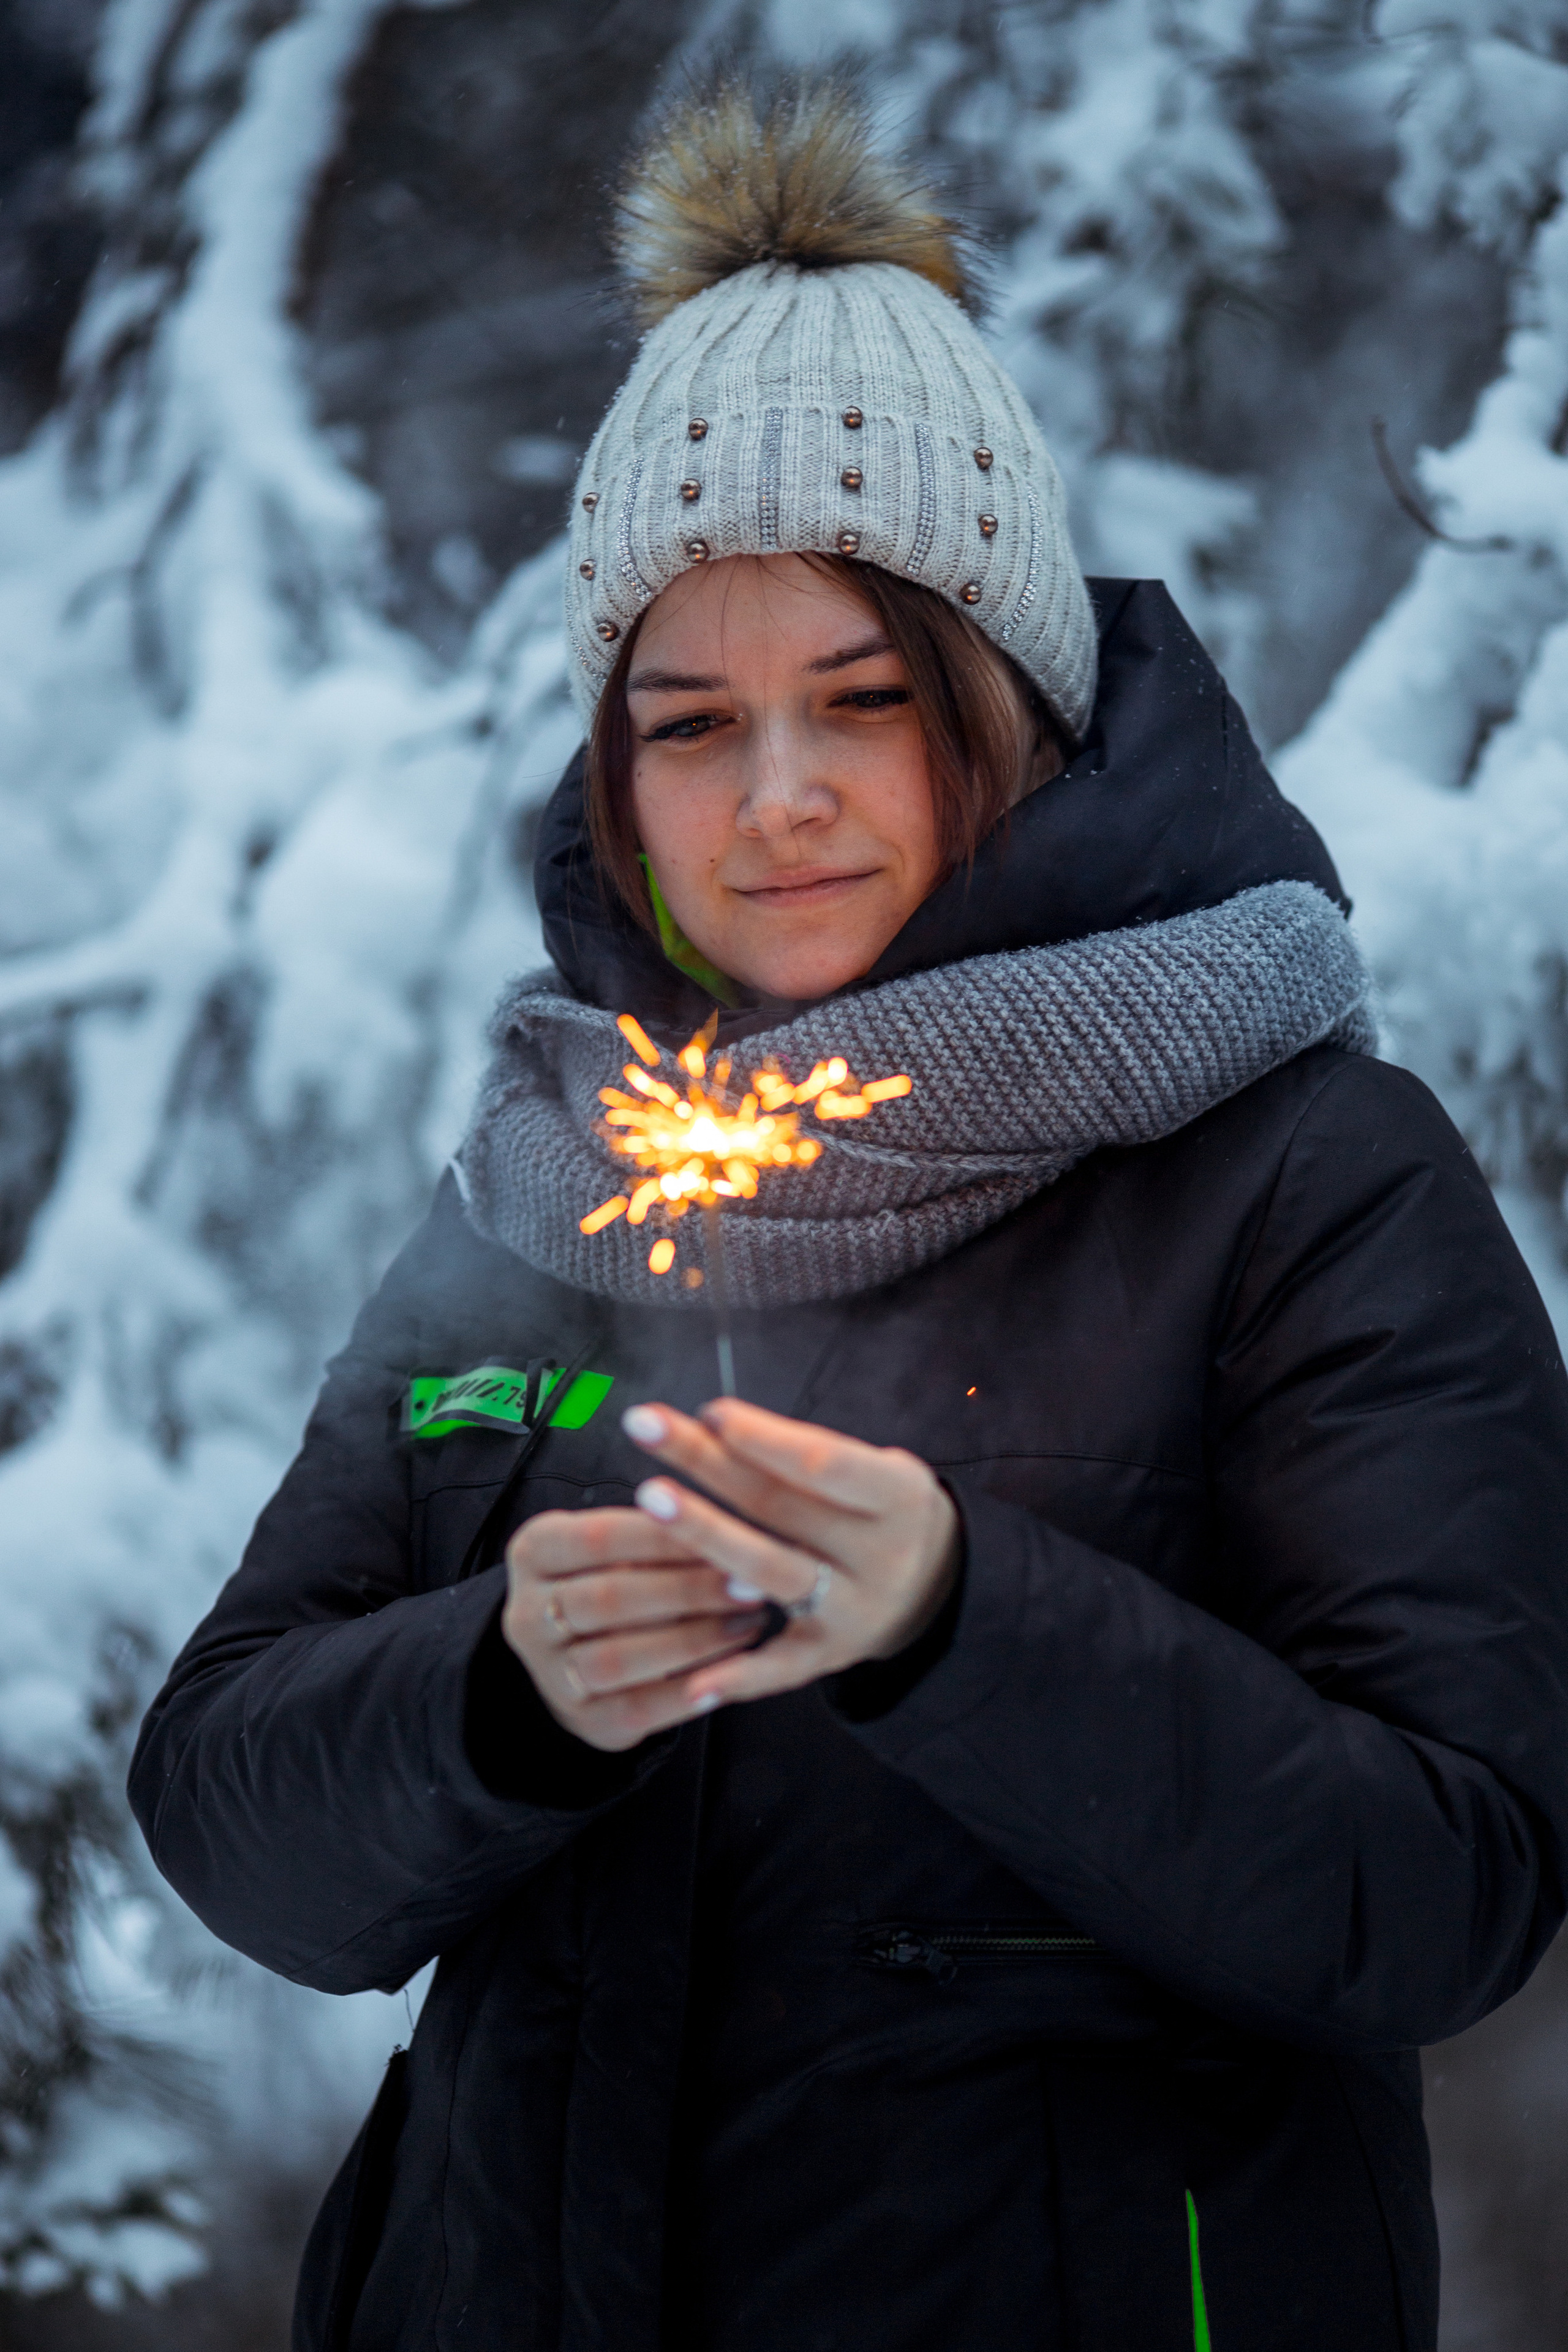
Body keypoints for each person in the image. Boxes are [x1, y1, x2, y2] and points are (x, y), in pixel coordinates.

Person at [130, 76, 1568, 2352]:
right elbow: (231, 1810)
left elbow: (1447, 1884)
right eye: (688, 723)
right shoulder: (553, 1180)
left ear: (1003, 701)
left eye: (861, 701)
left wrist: (957, 1628)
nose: (773, 801)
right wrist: (496, 1688)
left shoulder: (1302, 1169)